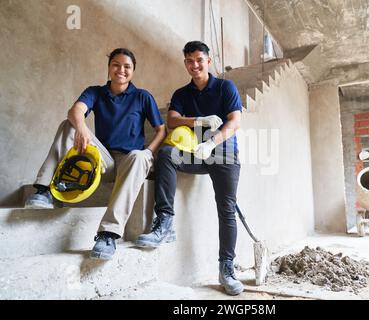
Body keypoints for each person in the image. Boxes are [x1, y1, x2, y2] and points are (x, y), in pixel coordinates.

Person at [24, 48, 166, 260]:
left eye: (127, 66)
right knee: (68, 124)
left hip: (130, 161)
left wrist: (148, 151)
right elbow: (75, 111)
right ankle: (44, 189)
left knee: (140, 156)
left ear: (133, 71)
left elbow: (161, 130)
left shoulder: (142, 96)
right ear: (109, 68)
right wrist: (81, 127)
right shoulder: (96, 92)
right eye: (116, 64)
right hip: (103, 161)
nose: (121, 70)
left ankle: (108, 233)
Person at [135, 41, 244, 295]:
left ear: (208, 60)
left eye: (199, 60)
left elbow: (235, 121)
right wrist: (199, 120)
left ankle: (226, 267)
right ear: (185, 63)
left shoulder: (225, 87)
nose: (194, 65)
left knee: (226, 209)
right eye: (189, 61)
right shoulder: (182, 93)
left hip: (224, 155)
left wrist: (213, 141)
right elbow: (171, 120)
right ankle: (164, 222)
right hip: (195, 154)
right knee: (166, 153)